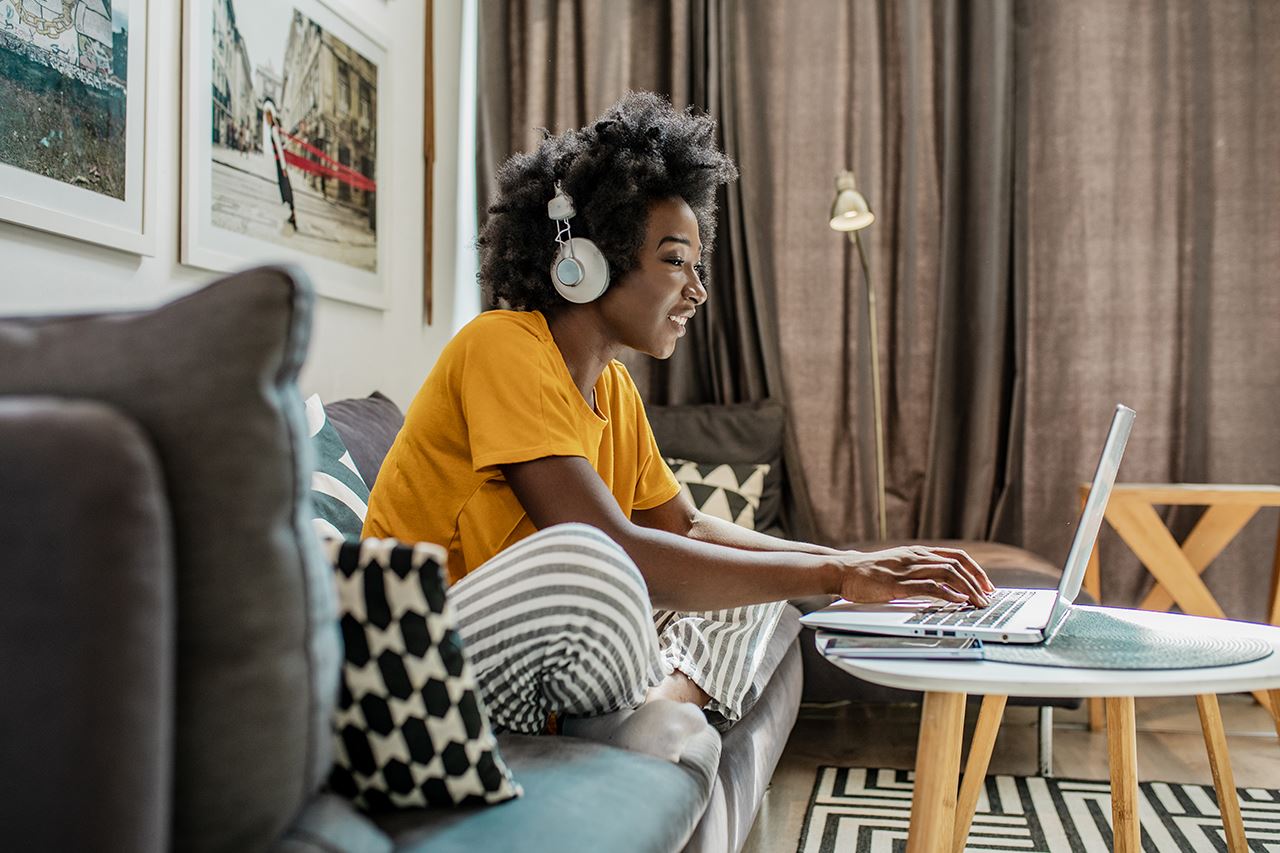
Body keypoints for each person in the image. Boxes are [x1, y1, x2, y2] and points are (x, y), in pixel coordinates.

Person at [363, 91, 992, 746]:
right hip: (420, 655)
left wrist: (850, 563)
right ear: (587, 260)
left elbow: (686, 526)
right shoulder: (501, 345)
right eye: (673, 261)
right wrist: (835, 575)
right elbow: (611, 551)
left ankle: (661, 701)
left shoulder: (615, 390)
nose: (696, 289)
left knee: (750, 593)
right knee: (592, 562)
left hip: (537, 653)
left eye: (698, 265)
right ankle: (643, 714)